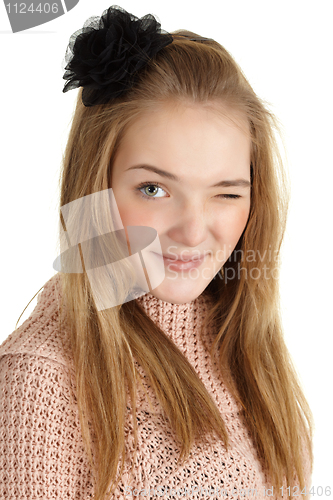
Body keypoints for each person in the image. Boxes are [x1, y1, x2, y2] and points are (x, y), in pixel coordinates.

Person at [0, 5, 314, 500]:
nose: (192, 232)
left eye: (226, 193)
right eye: (153, 189)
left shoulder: (243, 343)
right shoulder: (42, 378)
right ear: (94, 185)